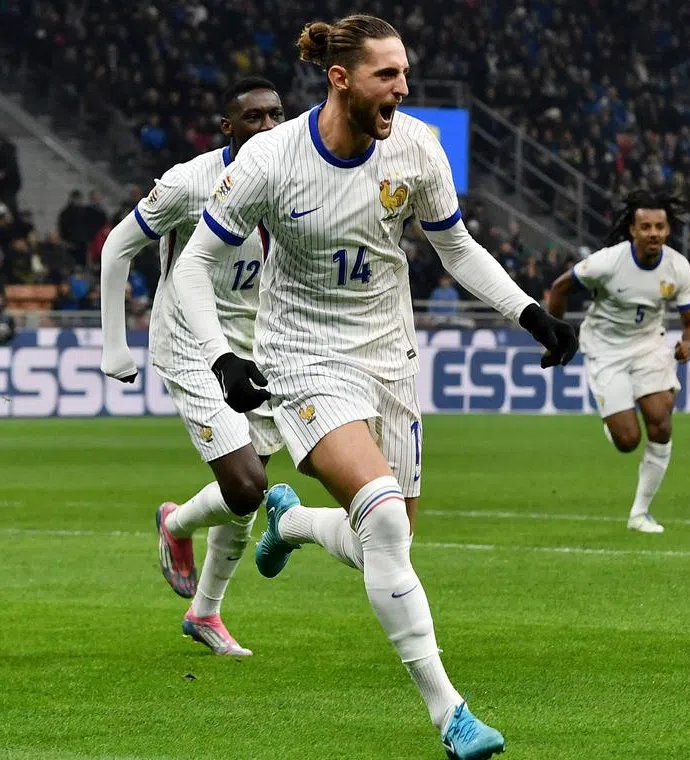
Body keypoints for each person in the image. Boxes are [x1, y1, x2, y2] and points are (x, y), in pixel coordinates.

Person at [172, 15, 578, 759]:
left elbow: (455, 246)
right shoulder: (271, 159)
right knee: (385, 521)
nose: (403, 87)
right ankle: (451, 714)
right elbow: (195, 263)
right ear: (341, 79)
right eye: (386, 75)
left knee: (390, 543)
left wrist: (527, 312)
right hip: (301, 356)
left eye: (404, 73)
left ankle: (292, 526)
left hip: (389, 356)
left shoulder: (417, 147)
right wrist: (223, 355)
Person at [98, 77, 289, 657]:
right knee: (247, 483)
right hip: (189, 342)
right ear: (227, 128)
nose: (268, 127)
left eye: (276, 115)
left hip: (256, 345)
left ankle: (204, 613)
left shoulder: (297, 178)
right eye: (253, 118)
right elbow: (117, 247)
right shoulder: (187, 183)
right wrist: (114, 344)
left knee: (245, 496)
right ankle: (177, 526)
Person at [547, 189, 690, 534]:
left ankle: (639, 514)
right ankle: (615, 421)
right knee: (628, 440)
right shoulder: (607, 262)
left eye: (659, 227)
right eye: (645, 226)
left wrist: (688, 345)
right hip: (605, 347)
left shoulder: (678, 268)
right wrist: (554, 335)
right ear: (632, 230)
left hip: (649, 345)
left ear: (667, 230)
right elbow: (559, 288)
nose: (653, 233)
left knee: (661, 422)